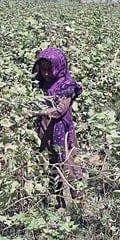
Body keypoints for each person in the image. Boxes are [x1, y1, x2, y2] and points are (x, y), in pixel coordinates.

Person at [29, 48, 84, 208]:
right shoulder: (42, 85)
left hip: (63, 132)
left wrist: (37, 112)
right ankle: (60, 204)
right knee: (53, 168)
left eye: (49, 69)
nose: (46, 73)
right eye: (43, 70)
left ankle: (80, 203)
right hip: (46, 132)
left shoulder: (66, 85)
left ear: (58, 67)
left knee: (69, 166)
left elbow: (60, 110)